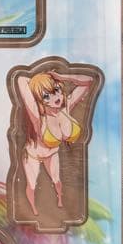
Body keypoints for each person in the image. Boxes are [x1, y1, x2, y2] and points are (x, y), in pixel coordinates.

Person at [17, 69, 95, 216]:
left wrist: (62, 76)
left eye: (57, 90)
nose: (55, 97)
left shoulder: (66, 107)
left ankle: (59, 200)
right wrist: (37, 82)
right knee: (31, 185)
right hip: (33, 154)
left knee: (57, 181)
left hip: (52, 153)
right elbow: (21, 79)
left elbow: (89, 81)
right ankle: (33, 209)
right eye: (46, 96)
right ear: (39, 100)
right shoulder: (37, 116)